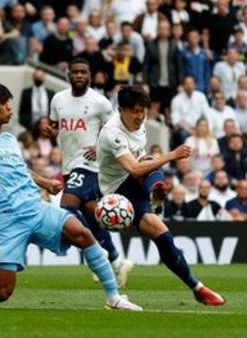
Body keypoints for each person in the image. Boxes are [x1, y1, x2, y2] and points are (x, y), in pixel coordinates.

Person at [0, 82, 142, 312]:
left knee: (83, 234)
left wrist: (44, 181)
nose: (10, 108)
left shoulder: (9, 139)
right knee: (2, 292)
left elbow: (19, 170)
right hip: (8, 217)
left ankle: (114, 298)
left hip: (36, 207)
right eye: (4, 103)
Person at [96, 85, 225, 305]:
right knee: (148, 162)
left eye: (143, 111)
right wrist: (171, 155)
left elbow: (139, 161)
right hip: (116, 191)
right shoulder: (112, 133)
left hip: (134, 183)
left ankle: (198, 288)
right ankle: (155, 190)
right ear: (121, 110)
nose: (139, 116)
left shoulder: (141, 124)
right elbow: (135, 169)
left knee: (163, 235)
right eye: (134, 111)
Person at [42, 58, 132, 285]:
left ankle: (96, 253)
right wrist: (48, 129)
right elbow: (54, 126)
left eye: (84, 72)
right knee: (93, 215)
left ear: (89, 75)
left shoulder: (99, 102)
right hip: (68, 164)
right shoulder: (58, 99)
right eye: (76, 72)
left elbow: (115, 129)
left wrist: (99, 146)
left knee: (67, 206)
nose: (80, 76)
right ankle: (116, 260)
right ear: (68, 75)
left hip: (89, 164)